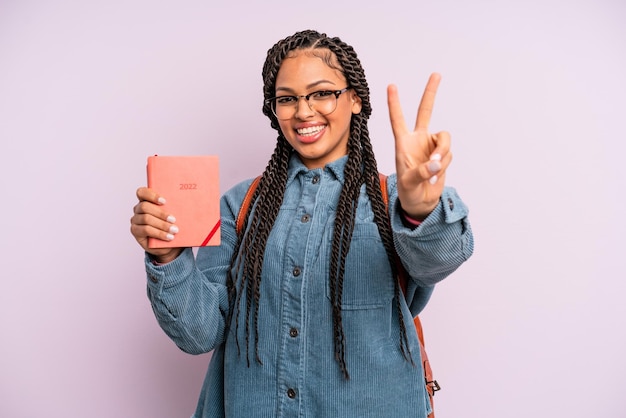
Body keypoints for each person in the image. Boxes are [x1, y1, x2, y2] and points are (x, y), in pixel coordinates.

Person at [130, 29, 474, 418]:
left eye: (322, 93)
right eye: (287, 99)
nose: (304, 111)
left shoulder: (392, 199)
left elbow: (439, 261)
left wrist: (419, 209)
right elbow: (199, 333)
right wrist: (168, 257)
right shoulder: (239, 204)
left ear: (356, 99)